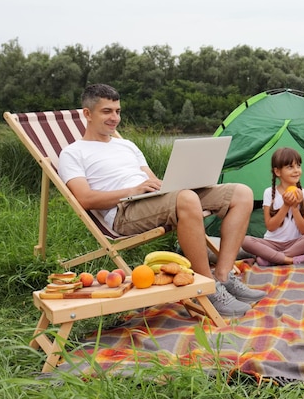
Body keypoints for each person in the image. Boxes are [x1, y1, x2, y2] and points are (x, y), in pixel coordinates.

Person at [58, 84, 265, 318]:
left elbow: (151, 180)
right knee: (185, 199)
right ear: (87, 114)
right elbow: (84, 199)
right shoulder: (72, 153)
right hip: (122, 212)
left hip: (150, 199)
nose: (115, 118)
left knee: (242, 193)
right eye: (107, 111)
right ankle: (207, 288)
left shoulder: (126, 145)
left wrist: (172, 183)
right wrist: (133, 190)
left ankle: (224, 276)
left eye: (117, 111)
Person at [242, 147, 304, 266]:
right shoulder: (269, 193)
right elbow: (270, 226)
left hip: (295, 244)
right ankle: (290, 259)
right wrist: (286, 205)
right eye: (290, 167)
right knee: (245, 241)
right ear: (277, 172)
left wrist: (295, 207)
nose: (296, 170)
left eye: (298, 166)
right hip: (271, 243)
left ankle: (272, 258)